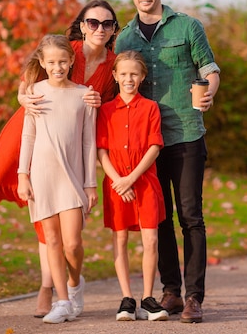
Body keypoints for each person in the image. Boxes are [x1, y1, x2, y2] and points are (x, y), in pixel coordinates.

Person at [0, 0, 119, 318]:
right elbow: (28, 82)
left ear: (114, 29)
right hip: (31, 121)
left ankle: (48, 288)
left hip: (69, 137)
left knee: (51, 218)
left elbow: (112, 105)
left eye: (106, 24)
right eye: (92, 22)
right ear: (82, 24)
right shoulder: (65, 48)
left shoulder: (113, 64)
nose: (99, 29)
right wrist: (22, 96)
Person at [114, 0, 221, 324]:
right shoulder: (125, 39)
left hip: (186, 132)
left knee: (191, 217)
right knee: (157, 219)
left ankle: (194, 298)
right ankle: (170, 292)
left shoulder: (188, 26)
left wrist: (208, 95)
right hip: (145, 145)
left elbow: (209, 69)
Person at [16, 34, 97, 324]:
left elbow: (89, 142)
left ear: (72, 61)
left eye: (63, 61)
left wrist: (90, 183)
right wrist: (22, 175)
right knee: (51, 240)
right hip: (41, 176)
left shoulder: (83, 95)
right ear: (42, 62)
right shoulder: (34, 92)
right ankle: (62, 301)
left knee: (72, 244)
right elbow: (28, 136)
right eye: (51, 62)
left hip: (72, 176)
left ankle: (75, 285)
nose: (57, 67)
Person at [96, 50, 168, 322]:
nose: (129, 79)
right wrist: (118, 180)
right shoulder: (105, 110)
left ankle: (148, 299)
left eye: (134, 74)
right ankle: (127, 299)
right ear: (115, 76)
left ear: (142, 77)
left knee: (150, 239)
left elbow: (154, 147)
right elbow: (101, 150)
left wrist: (131, 179)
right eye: (123, 74)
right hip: (116, 186)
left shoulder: (150, 108)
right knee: (120, 238)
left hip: (144, 183)